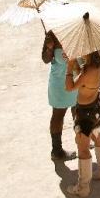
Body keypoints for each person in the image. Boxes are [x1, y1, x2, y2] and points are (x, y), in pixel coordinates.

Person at [65, 48, 100, 197]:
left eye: (82, 51)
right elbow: (83, 78)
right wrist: (75, 64)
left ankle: (83, 187)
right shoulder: (97, 66)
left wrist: (69, 67)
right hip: (96, 109)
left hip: (85, 115)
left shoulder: (89, 70)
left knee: (82, 147)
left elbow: (70, 87)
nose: (79, 52)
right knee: (98, 137)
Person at [42, 31, 78, 161]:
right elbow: (45, 59)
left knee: (78, 111)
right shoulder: (52, 34)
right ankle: (56, 150)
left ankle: (81, 140)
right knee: (58, 114)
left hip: (78, 81)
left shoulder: (79, 30)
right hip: (59, 84)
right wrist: (49, 48)